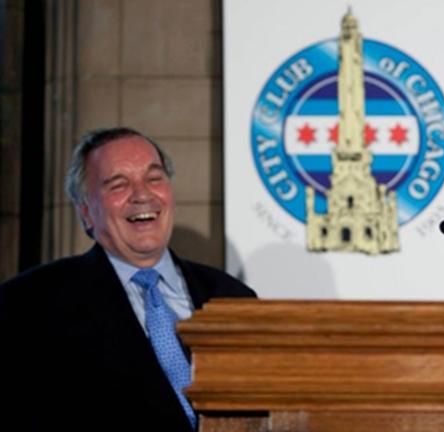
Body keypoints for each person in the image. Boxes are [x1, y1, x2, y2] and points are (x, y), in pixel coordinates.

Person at [0, 127, 256, 431]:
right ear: (86, 213)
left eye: (154, 178)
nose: (142, 194)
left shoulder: (233, 297)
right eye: (118, 184)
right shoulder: (27, 305)